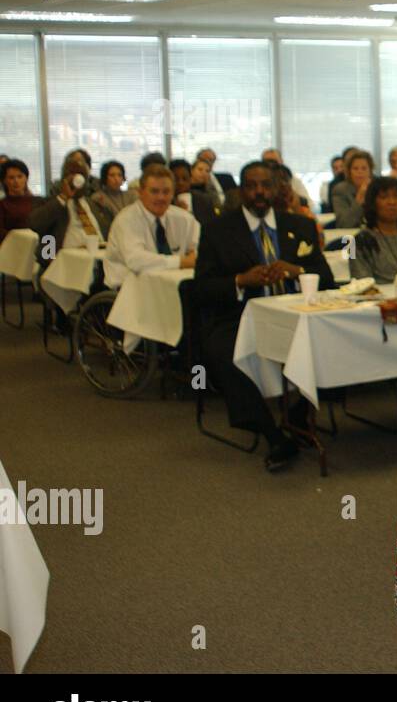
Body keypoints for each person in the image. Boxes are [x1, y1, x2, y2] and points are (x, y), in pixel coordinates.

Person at [194, 161, 334, 472]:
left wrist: (296, 270)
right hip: (237, 317)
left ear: (277, 189)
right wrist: (241, 281)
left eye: (265, 186)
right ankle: (274, 437)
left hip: (295, 315)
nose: (259, 192)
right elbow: (199, 288)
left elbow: (327, 279)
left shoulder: (299, 226)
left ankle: (298, 414)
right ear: (241, 191)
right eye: (251, 186)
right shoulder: (218, 230)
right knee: (226, 356)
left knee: (336, 338)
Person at [104, 164, 201, 289]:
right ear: (141, 192)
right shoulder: (126, 220)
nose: (161, 197)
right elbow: (136, 260)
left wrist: (195, 255)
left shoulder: (184, 219)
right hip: (129, 290)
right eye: (154, 191)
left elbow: (202, 250)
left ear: (173, 193)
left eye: (166, 192)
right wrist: (181, 261)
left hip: (173, 286)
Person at [29, 157, 112, 265]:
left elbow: (110, 231)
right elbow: (35, 224)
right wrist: (64, 197)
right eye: (71, 173)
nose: (76, 178)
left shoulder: (94, 204)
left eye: (81, 174)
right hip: (66, 260)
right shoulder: (51, 203)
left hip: (98, 257)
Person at [0, 159, 43, 243]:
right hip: (14, 248)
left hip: (40, 248)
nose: (16, 181)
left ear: (26, 178)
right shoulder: (2, 205)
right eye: (11, 178)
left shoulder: (38, 201)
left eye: (20, 176)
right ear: (4, 181)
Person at [331, 149, 373, 228]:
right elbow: (344, 224)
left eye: (364, 168)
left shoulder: (377, 189)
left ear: (370, 171)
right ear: (349, 172)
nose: (360, 172)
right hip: (350, 236)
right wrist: (358, 200)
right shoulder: (340, 190)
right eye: (355, 168)